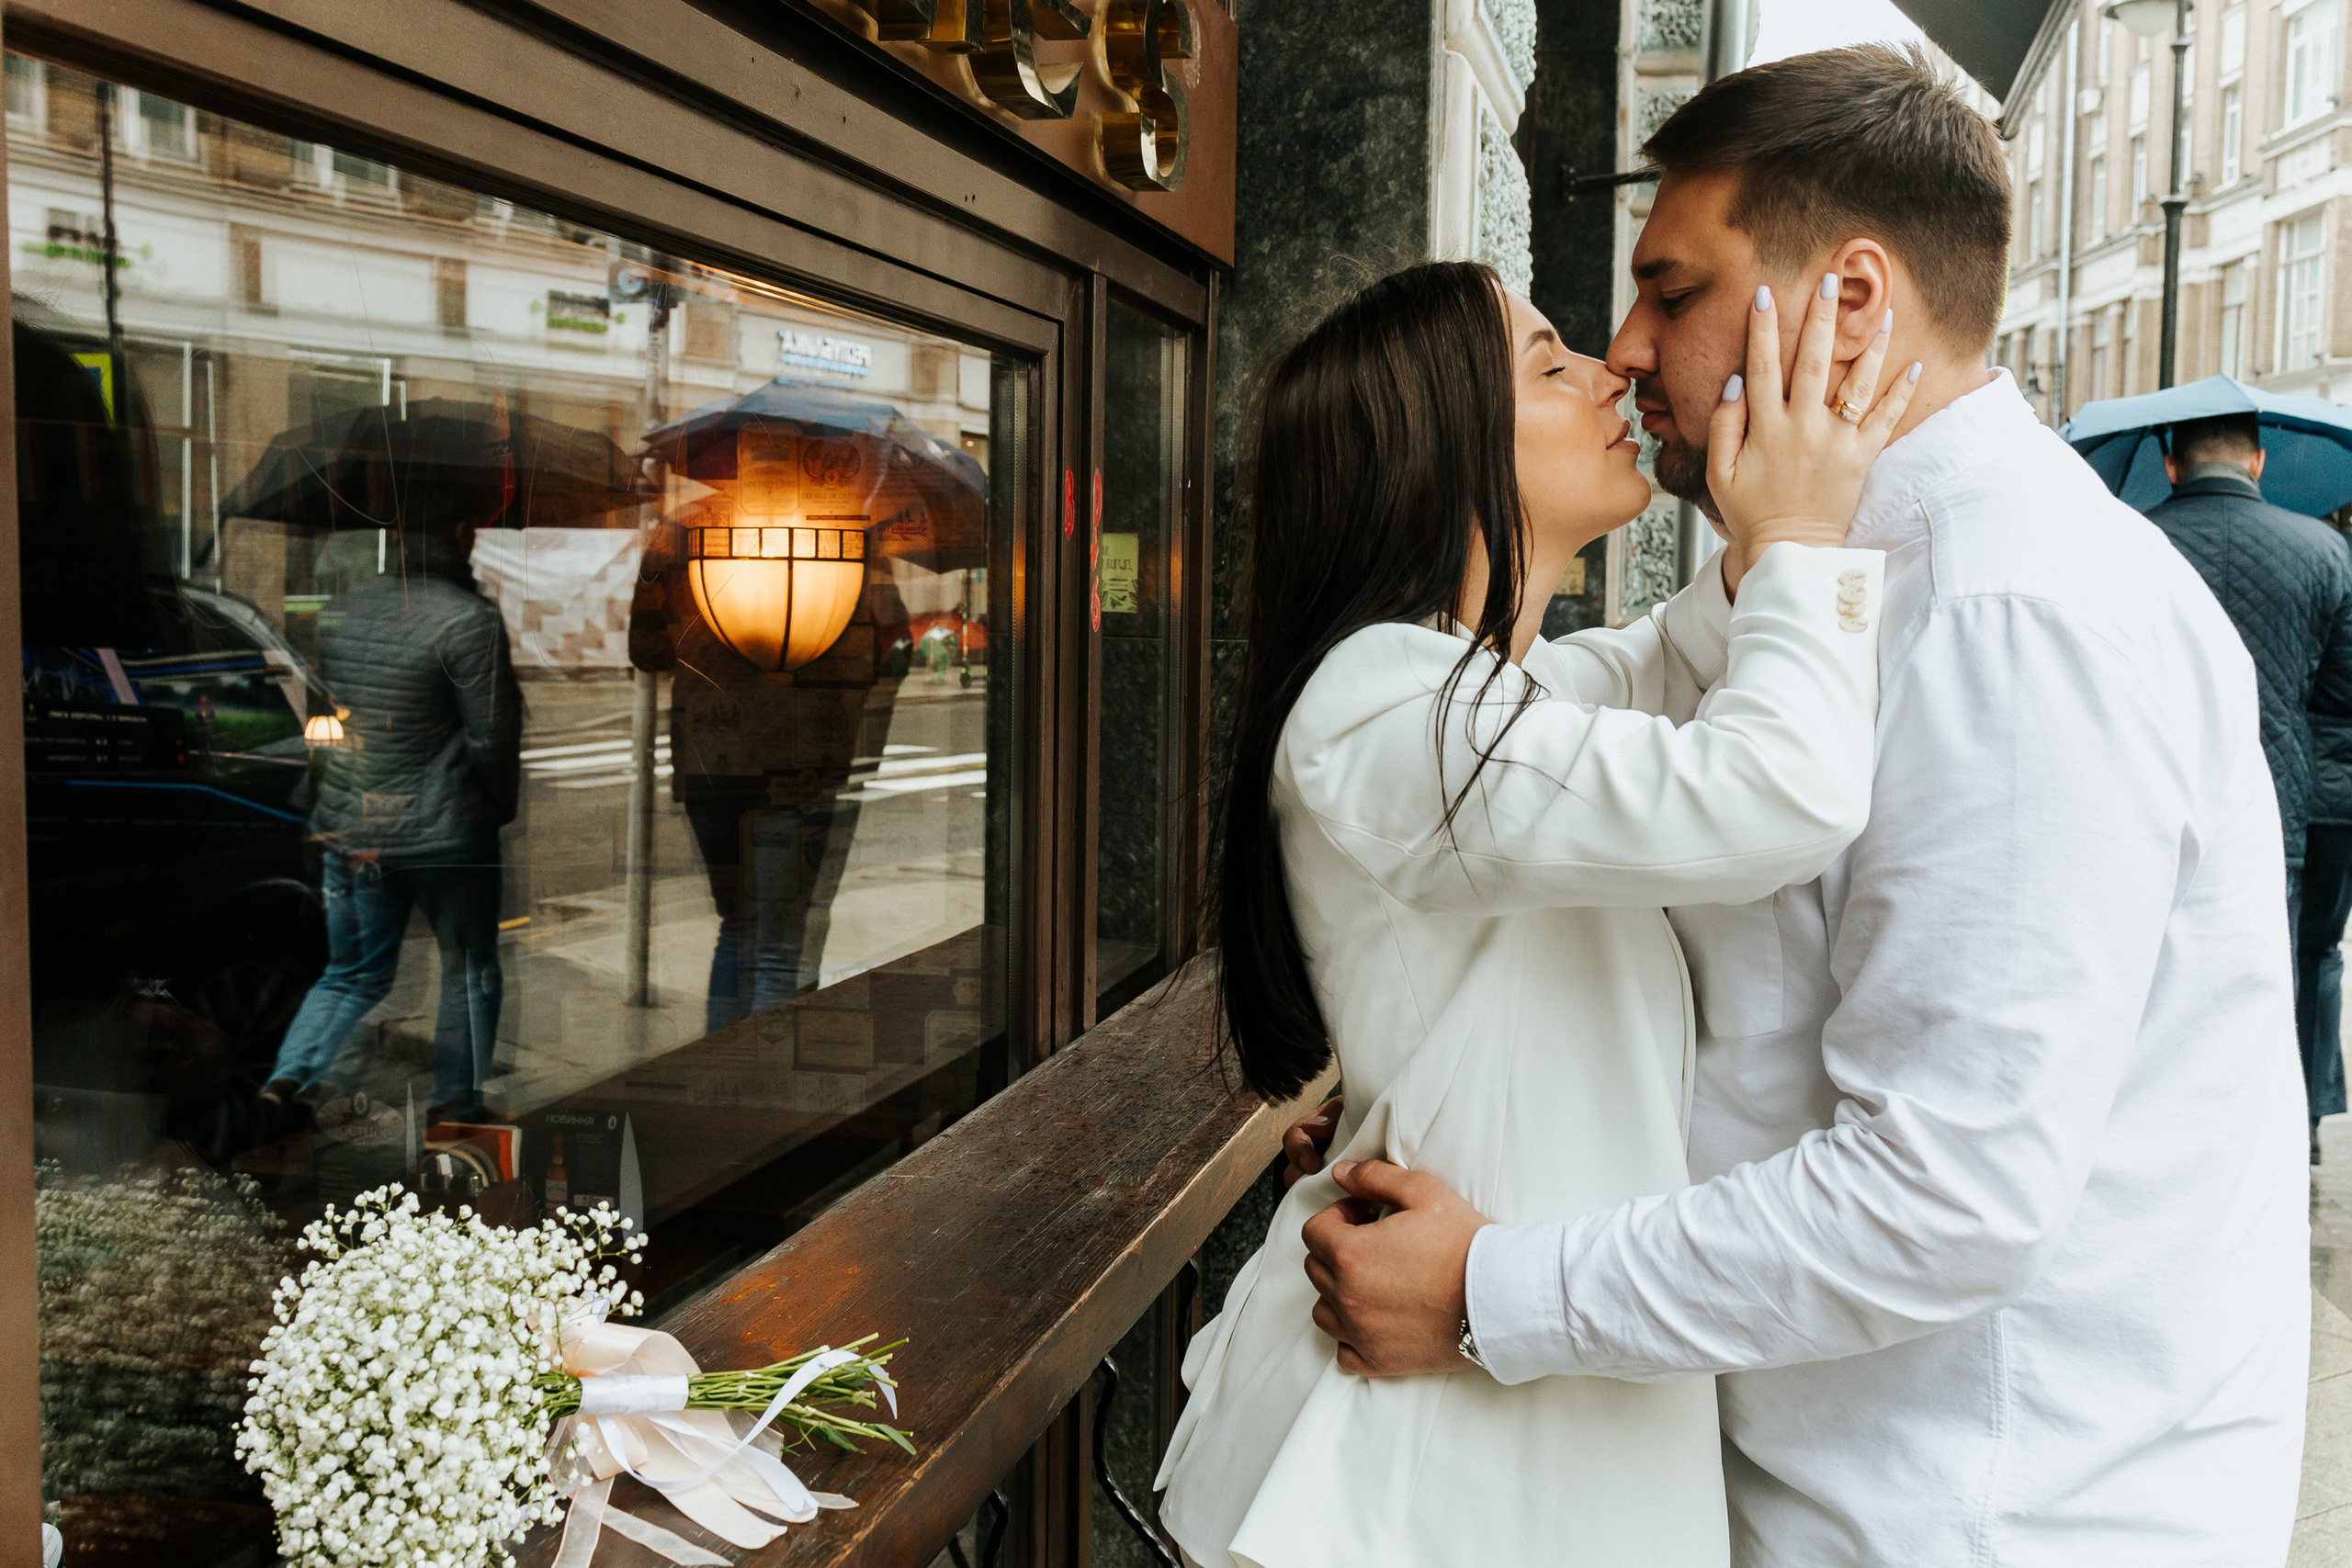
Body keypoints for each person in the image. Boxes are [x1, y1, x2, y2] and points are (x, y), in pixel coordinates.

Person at [1284, 45, 2310, 1568]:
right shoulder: (1825, 573)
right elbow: (1576, 723)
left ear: (1844, 304)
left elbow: (1948, 1194)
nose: (1625, 351)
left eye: (1669, 291)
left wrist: (1491, 1292)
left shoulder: (2005, 615)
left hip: (1981, 1513)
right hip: (1829, 1481)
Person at [1152, 258, 1914, 1566]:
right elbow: (1776, 785)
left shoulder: (1501, 692)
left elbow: (1678, 659)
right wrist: (1798, 538)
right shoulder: (1384, 703)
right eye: (1550, 363)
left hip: (1498, 1395)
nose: (1611, 371)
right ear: (1437, 453)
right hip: (1424, 1456)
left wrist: (1776, 510)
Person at [260, 504, 522, 1127]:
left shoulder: (342, 612)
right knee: (468, 969)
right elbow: (492, 738)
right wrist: (497, 808)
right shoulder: (469, 622)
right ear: (461, 532)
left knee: (350, 971)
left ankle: (287, 1080)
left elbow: (330, 718)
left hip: (354, 827)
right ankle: (454, 1109)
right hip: (443, 835)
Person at [2142, 412, 2352, 1163]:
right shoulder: (2325, 551)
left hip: (2156, 787)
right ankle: (2294, 1119)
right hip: (2284, 796)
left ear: (2172, 466)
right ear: (2259, 462)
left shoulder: (2134, 542)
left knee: (2160, 957)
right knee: (2295, 955)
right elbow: (2340, 694)